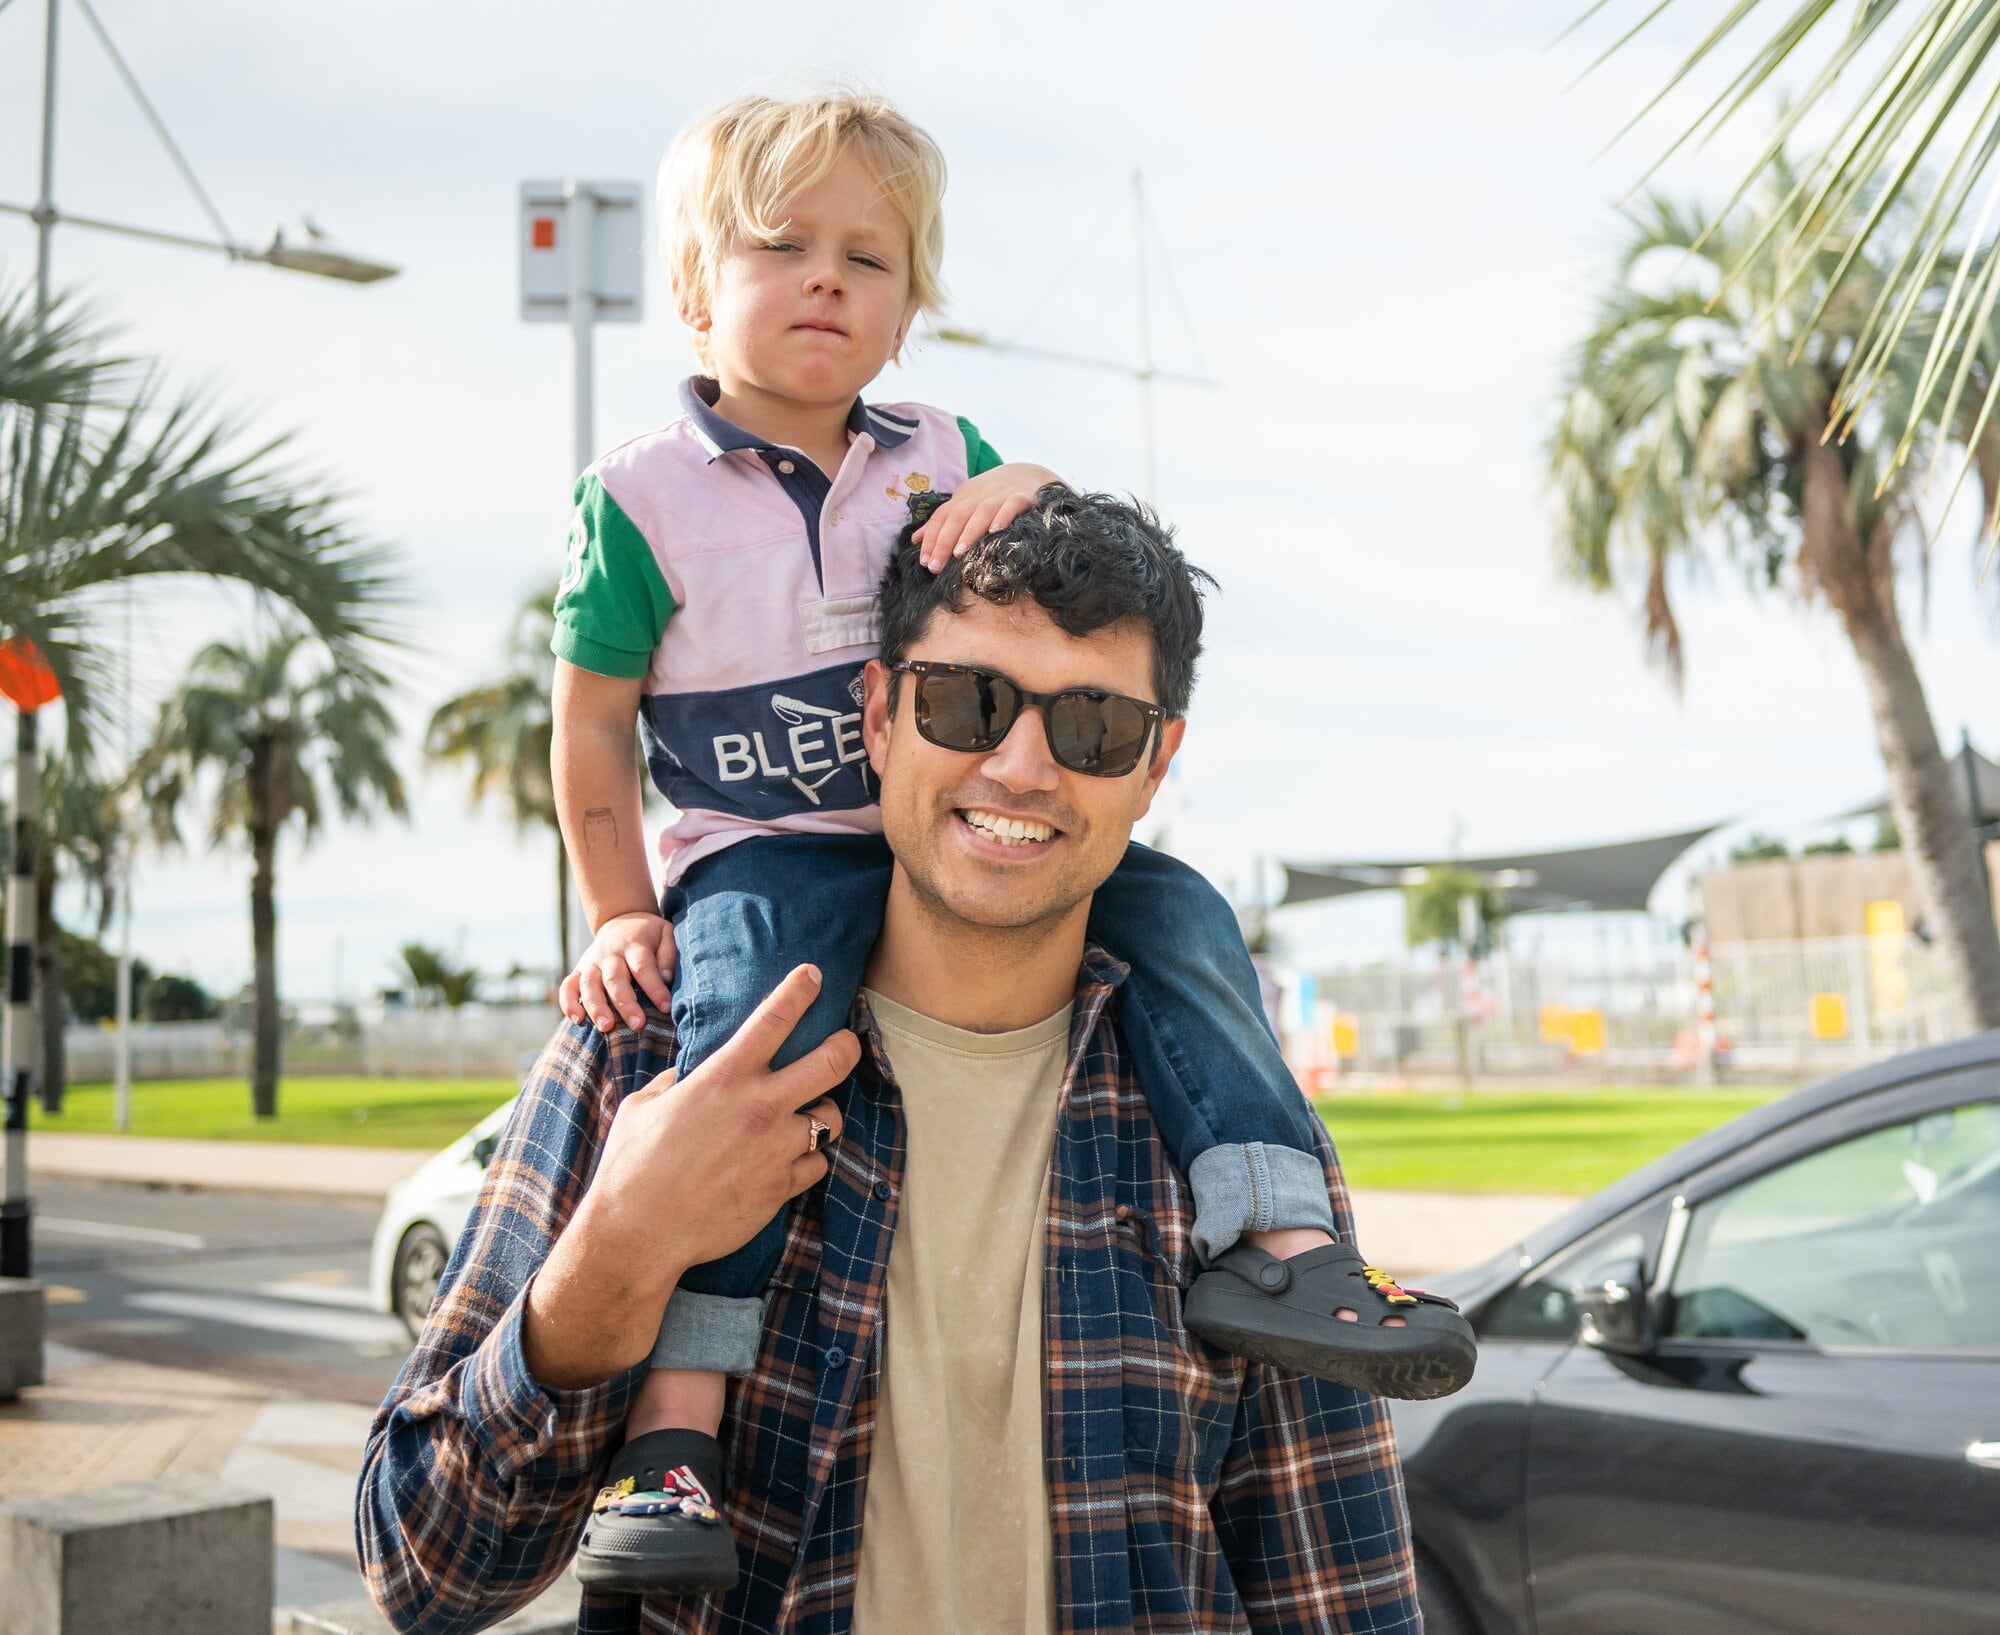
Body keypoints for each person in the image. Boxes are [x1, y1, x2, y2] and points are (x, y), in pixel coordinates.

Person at [547, 87, 1471, 1592]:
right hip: (766, 854)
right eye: (782, 245)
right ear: (691, 285)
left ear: (913, 307)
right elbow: (591, 727)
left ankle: (1279, 1235)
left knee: (1190, 923)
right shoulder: (640, 495)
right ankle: (675, 1421)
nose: (829, 278)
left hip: (913, 855)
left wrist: (1023, 480)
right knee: (737, 1076)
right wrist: (613, 912)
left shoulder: (931, 449)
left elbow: (1040, 519)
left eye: (873, 256)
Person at [357, 489, 1429, 1634]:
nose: (1020, 769)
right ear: (875, 716)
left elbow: (1336, 1586)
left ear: (1154, 764)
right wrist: (621, 1248)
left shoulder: (1234, 1135)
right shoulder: (649, 1050)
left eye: (1094, 728)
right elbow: (426, 1572)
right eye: (966, 703)